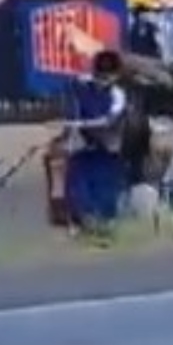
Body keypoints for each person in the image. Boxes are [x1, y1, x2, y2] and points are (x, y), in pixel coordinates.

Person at [64, 50, 128, 235]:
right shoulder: (81, 85)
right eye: (100, 75)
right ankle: (83, 218)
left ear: (115, 76)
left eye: (108, 77)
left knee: (105, 184)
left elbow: (110, 121)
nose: (103, 80)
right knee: (78, 181)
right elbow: (72, 99)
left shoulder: (117, 95)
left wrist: (83, 124)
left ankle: (106, 221)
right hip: (84, 145)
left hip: (107, 146)